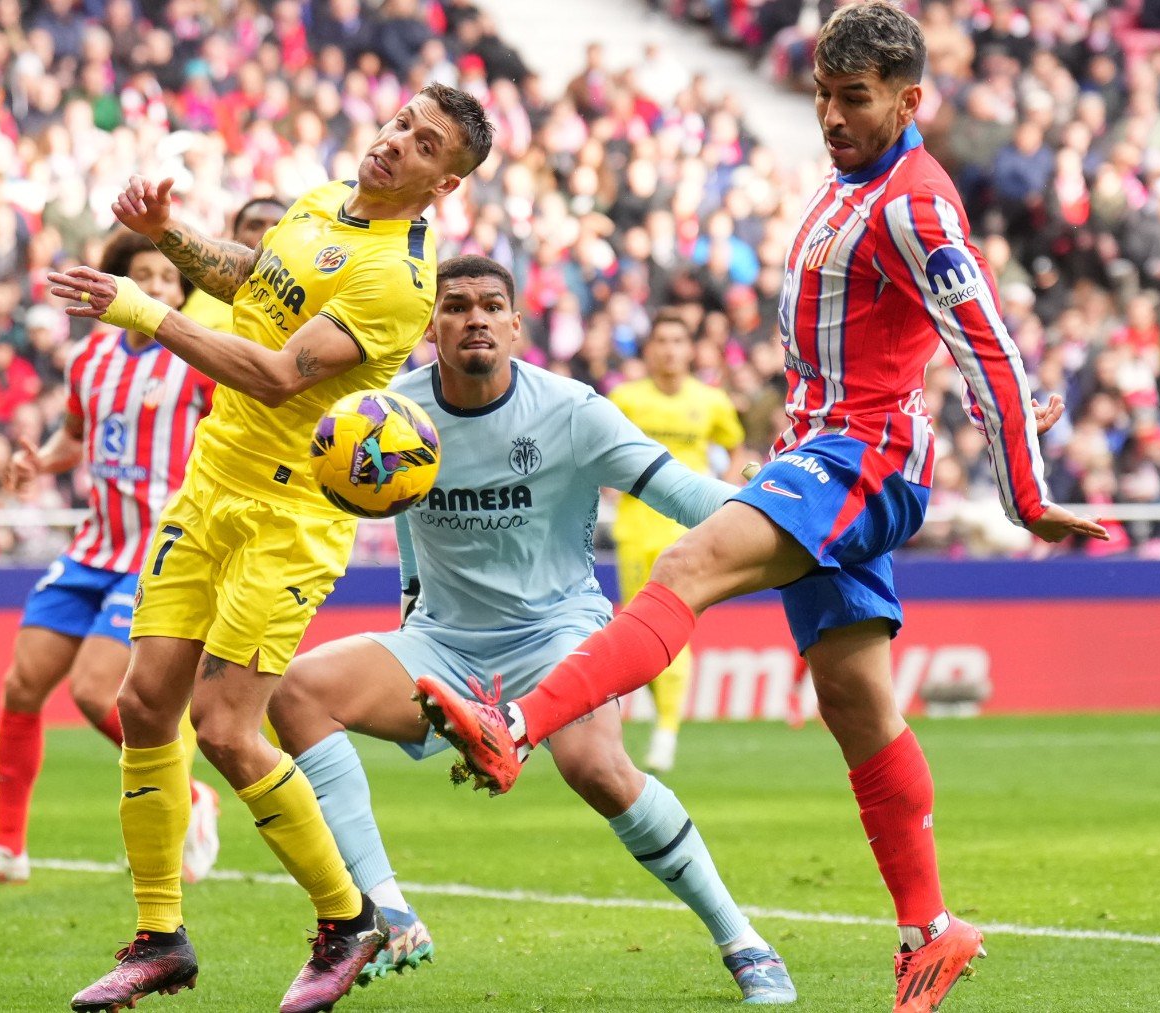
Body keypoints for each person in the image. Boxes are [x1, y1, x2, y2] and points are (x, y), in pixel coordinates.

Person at [413, 7, 1107, 1013]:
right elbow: (942, 329)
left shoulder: (915, 201)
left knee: (684, 568)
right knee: (856, 701)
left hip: (855, 457)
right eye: (823, 94)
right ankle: (931, 927)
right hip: (819, 449)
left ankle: (513, 724)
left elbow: (983, 334)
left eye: (853, 98)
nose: (830, 114)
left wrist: (1028, 488)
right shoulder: (846, 183)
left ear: (910, 101)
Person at [47, 83, 493, 1013]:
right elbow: (255, 281)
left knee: (225, 727)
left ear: (444, 184)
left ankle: (349, 917)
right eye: (400, 123)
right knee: (142, 704)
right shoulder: (326, 198)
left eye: (422, 144)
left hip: (288, 520)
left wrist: (145, 311)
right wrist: (172, 234)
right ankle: (160, 937)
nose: (393, 143)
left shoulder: (399, 278)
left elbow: (281, 375)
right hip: (211, 484)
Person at [268, 256, 797, 1004]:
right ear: (432, 328)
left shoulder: (573, 410)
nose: (474, 317)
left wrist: (790, 509)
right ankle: (386, 909)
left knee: (597, 768)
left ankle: (743, 940)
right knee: (298, 692)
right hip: (444, 642)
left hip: (558, 633)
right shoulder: (392, 415)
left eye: (491, 305)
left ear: (518, 325)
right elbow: (405, 522)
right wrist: (411, 612)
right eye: (455, 306)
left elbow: (687, 495)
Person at [0, 230, 221, 888]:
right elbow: (75, 437)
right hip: (94, 544)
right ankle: (8, 847)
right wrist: (41, 459)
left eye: (170, 279)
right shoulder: (90, 358)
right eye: (143, 274)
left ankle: (191, 795)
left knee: (96, 690)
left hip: (158, 548)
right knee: (21, 686)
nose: (157, 286)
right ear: (116, 286)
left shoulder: (198, 360)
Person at [609, 309, 748, 773]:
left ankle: (667, 730)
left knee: (675, 627)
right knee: (639, 632)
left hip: (688, 533)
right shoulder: (625, 399)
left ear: (691, 349)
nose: (669, 349)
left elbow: (736, 448)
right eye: (661, 340)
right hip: (635, 530)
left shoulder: (710, 401)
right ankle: (659, 719)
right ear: (648, 350)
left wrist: (728, 495)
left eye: (677, 340)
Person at [178, 197, 289, 333]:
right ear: (235, 238)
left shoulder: (307, 301)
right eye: (255, 226)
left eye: (279, 227)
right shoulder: (202, 285)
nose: (268, 234)